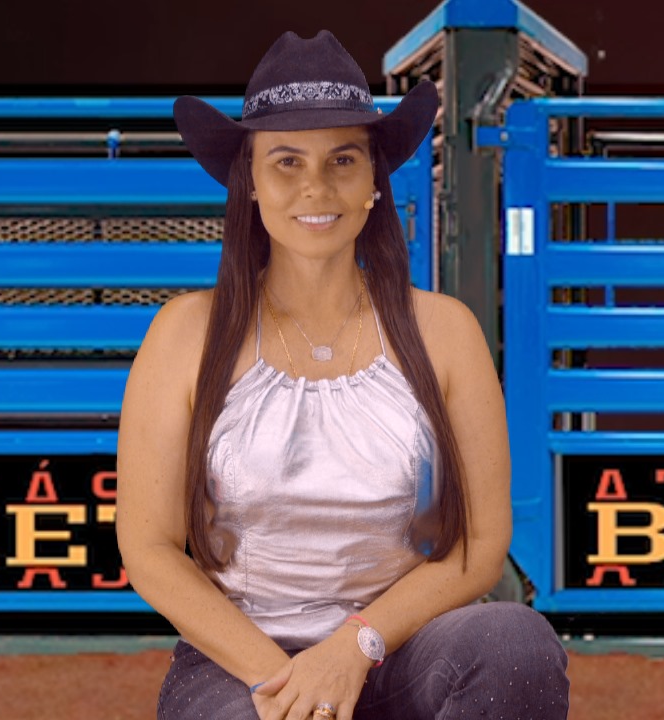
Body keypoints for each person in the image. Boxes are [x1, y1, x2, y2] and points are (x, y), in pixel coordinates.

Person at [116, 30, 569, 720]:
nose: (316, 187)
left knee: (515, 643)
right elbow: (149, 548)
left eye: (343, 160)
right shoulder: (185, 332)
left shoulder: (445, 332)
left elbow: (480, 548)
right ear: (250, 181)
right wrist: (289, 684)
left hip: (393, 646)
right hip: (239, 663)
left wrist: (353, 648)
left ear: (373, 184)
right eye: (286, 161)